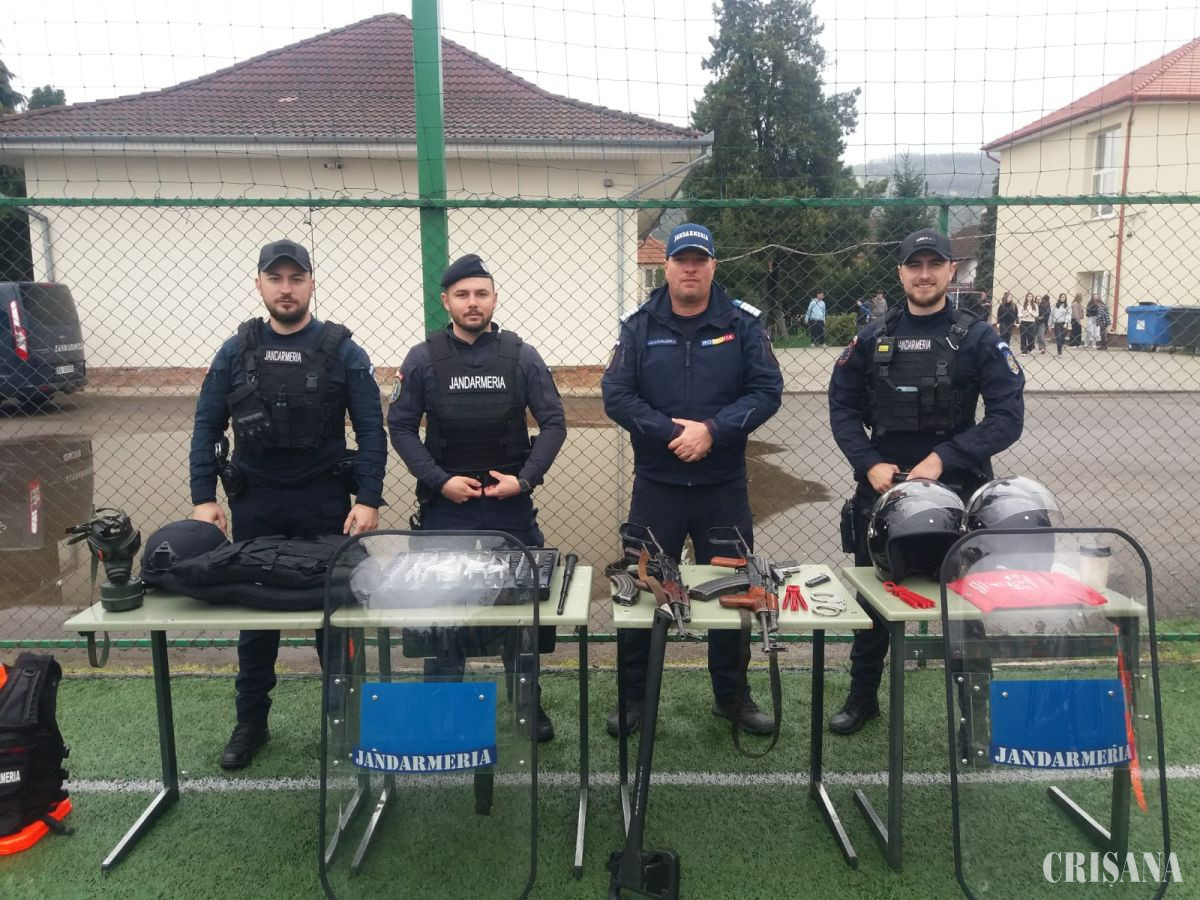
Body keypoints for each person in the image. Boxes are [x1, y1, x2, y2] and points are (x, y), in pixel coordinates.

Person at [190, 239, 386, 769]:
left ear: (311, 285)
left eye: (295, 278)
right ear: (259, 284)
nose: (285, 289)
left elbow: (371, 430)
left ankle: (345, 721)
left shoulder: (343, 351)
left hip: (326, 503)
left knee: (334, 619)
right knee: (256, 624)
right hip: (256, 503)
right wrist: (204, 497)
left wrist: (369, 498)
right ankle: (250, 724)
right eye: (275, 278)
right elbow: (207, 425)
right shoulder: (235, 351)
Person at [827, 227, 1024, 736]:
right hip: (883, 491)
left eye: (934, 264)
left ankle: (975, 715)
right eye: (914, 265)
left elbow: (1007, 418)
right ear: (900, 273)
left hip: (957, 491)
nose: (924, 274)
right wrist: (868, 462)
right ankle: (862, 698)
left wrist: (944, 457)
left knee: (966, 609)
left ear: (950, 270)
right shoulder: (871, 336)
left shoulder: (978, 338)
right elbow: (842, 408)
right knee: (875, 603)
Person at [602, 222, 784, 736]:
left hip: (722, 487)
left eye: (698, 260)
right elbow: (616, 395)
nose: (689, 268)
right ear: (666, 266)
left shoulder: (743, 324)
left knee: (734, 593)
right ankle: (635, 699)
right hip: (656, 486)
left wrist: (712, 432)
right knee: (643, 592)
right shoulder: (638, 326)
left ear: (712, 266)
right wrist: (671, 433)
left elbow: (767, 390)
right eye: (681, 259)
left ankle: (732, 697)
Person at [387, 253, 567, 742]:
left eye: (481, 294)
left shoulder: (521, 357)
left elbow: (554, 422)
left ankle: (527, 703)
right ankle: (441, 707)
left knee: (521, 614)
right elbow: (399, 426)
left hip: (509, 507)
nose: (473, 302)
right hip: (447, 510)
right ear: (445, 300)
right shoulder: (422, 359)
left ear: (494, 299)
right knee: (441, 614)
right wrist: (439, 480)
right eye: (462, 294)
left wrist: (524, 480)